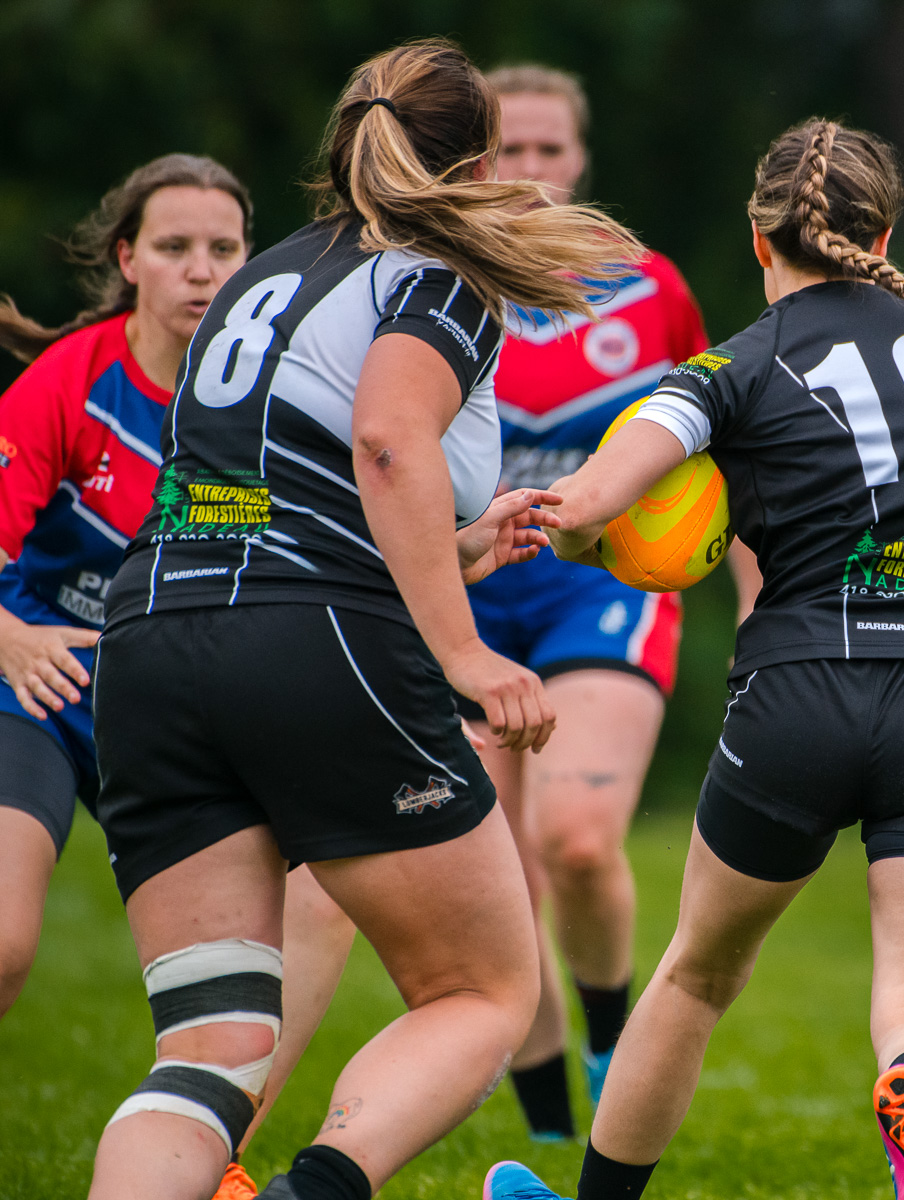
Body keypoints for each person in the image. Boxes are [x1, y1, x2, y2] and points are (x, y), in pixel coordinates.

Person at [85, 38, 642, 1200]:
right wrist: (464, 653)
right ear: (478, 160)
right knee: (486, 992)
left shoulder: (263, 272)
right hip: (303, 637)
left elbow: (280, 489)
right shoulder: (435, 273)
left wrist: (462, 551)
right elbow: (388, 438)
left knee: (208, 1049)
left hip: (152, 636)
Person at [480, 116, 904, 1200]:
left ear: (761, 241)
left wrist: (591, 538)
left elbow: (590, 505)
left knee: (697, 977)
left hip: (798, 691)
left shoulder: (728, 369)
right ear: (883, 235)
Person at [0, 156, 360, 1200]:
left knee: (323, 907)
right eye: (173, 248)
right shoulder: (71, 380)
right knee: (7, 946)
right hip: (42, 689)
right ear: (128, 260)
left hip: (182, 703)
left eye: (224, 249)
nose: (201, 271)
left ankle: (217, 1155)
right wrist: (12, 641)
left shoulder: (280, 396)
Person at [471, 63, 761, 1141]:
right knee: (491, 881)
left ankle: (609, 1038)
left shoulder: (652, 290)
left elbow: (720, 455)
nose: (532, 171)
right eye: (509, 151)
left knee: (579, 841)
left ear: (582, 159)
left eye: (550, 149)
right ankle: (549, 1125)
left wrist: (756, 605)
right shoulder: (437, 284)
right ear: (474, 163)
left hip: (602, 594)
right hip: (466, 597)